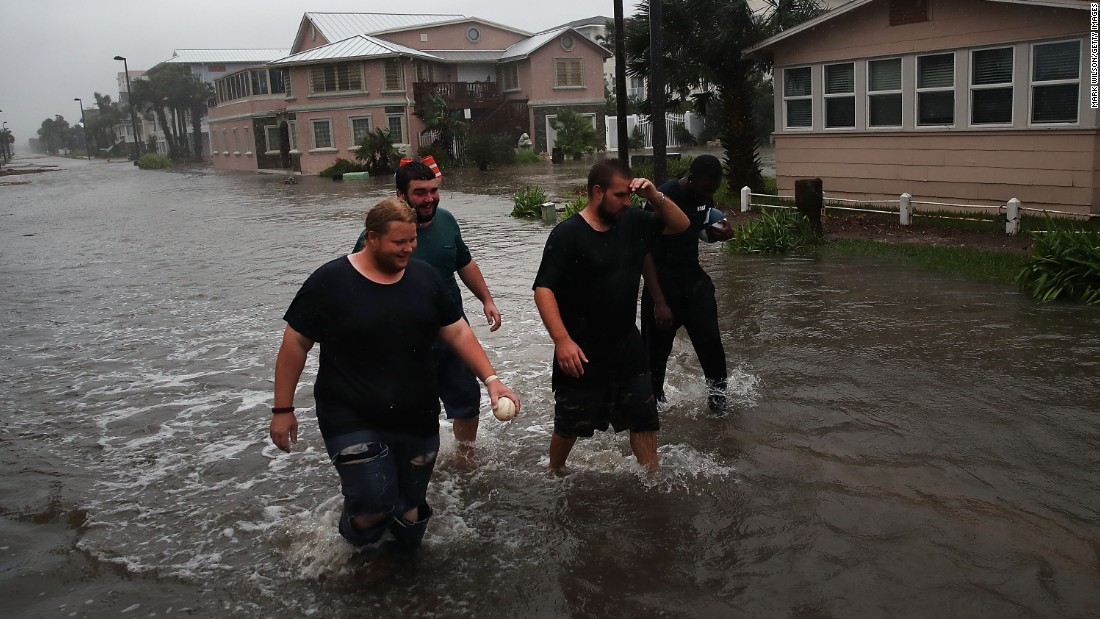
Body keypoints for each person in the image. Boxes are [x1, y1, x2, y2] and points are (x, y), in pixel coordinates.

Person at [271, 198, 519, 553]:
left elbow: (458, 331)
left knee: (410, 508)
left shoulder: (425, 279)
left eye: (413, 240)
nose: (409, 249)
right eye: (399, 242)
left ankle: (399, 561)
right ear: (372, 237)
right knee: (374, 503)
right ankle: (359, 555)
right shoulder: (331, 281)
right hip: (350, 413)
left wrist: (492, 381)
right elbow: (295, 342)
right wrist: (283, 409)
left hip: (415, 413)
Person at [532, 158, 690, 474]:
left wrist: (654, 195)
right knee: (569, 426)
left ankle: (651, 479)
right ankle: (555, 472)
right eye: (620, 195)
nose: (626, 202)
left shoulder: (632, 222)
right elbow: (543, 289)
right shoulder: (568, 234)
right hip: (580, 351)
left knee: (644, 420)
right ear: (597, 192)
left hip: (626, 345)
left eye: (628, 195)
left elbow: (681, 224)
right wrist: (562, 341)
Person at [352, 161, 501, 464]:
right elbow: (357, 284)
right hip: (406, 346)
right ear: (400, 195)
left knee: (468, 401)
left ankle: (464, 456)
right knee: (415, 411)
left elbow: (464, 262)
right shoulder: (379, 237)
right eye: (420, 192)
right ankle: (417, 462)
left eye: (433, 190)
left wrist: (486, 299)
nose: (429, 198)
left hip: (454, 334)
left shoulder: (446, 221)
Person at [640, 155, 735, 415]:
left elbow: (702, 230)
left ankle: (719, 409)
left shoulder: (703, 196)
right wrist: (658, 301)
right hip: (662, 285)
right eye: (705, 190)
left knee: (712, 346)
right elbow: (644, 250)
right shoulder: (662, 198)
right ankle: (653, 412)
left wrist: (724, 234)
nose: (708, 197)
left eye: (712, 192)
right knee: (655, 358)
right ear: (691, 179)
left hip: (693, 281)